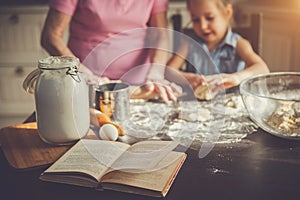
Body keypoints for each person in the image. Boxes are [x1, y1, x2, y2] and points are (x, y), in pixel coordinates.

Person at [41, 0, 181, 102]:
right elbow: (50, 36)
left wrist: (156, 72)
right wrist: (81, 72)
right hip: (87, 80)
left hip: (139, 84)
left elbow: (159, 33)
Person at [167, 0, 269, 93]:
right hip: (196, 107)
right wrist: (189, 78)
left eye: (209, 18)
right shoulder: (189, 43)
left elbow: (262, 68)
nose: (202, 26)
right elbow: (168, 71)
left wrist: (236, 77)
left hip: (231, 107)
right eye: (196, 20)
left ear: (227, 13)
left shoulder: (238, 44)